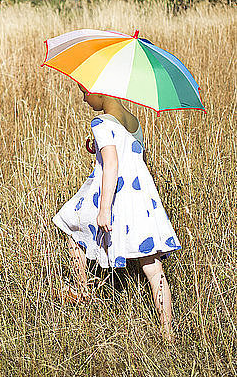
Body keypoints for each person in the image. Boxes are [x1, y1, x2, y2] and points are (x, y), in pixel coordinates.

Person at [53, 84, 181, 340]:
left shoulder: (100, 123)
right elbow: (129, 155)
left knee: (70, 222)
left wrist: (104, 209)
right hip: (141, 200)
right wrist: (97, 151)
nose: (83, 98)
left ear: (101, 91)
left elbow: (111, 164)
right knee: (153, 268)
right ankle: (169, 333)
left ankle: (82, 290)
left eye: (85, 91)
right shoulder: (132, 120)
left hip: (114, 196)